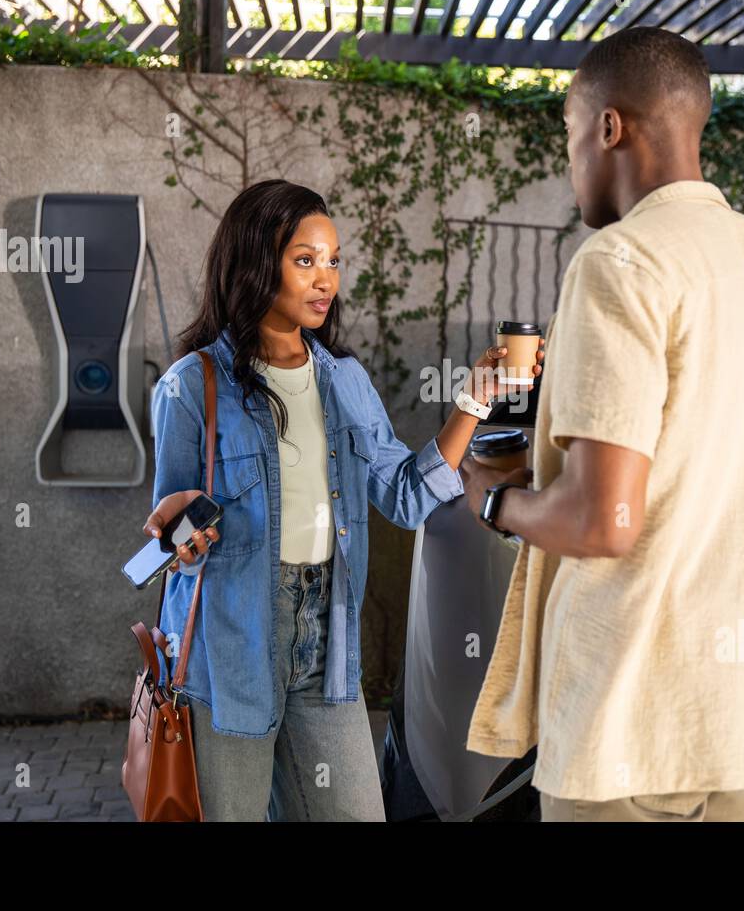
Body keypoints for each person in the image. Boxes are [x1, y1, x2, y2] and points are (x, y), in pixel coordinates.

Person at [458, 27, 744, 823]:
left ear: (608, 127)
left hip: (627, 718)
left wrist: (496, 501)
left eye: (567, 135)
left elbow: (602, 521)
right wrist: (713, 500)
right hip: (739, 726)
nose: (571, 165)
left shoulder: (621, 262)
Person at [144, 179, 542, 821]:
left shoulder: (345, 381)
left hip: (327, 645)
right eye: (305, 260)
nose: (325, 278)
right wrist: (178, 534)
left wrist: (476, 398)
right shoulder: (192, 385)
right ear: (254, 262)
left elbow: (408, 497)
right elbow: (170, 531)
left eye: (333, 261)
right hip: (228, 649)